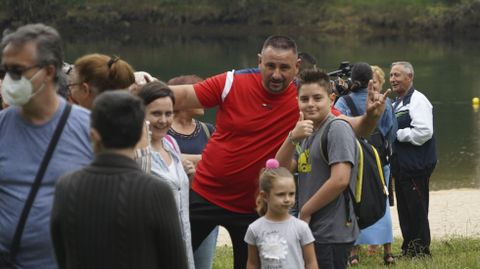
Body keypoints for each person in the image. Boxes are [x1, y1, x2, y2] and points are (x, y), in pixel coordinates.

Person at [169, 35, 388, 268]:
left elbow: (355, 127)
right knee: (170, 258)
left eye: (284, 68)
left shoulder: (303, 101)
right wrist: (136, 92)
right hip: (206, 194)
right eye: (270, 66)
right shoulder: (231, 82)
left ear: (297, 67)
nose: (276, 74)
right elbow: (180, 95)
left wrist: (371, 116)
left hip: (256, 205)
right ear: (259, 61)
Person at [50, 91, 188, 269]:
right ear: (141, 134)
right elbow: (174, 261)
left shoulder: (67, 186)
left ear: (93, 135)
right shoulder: (156, 191)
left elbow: (61, 255)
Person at [0, 23, 93, 268]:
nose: (9, 79)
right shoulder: (1, 126)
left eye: (18, 71)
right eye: (6, 70)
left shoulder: (90, 129)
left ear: (49, 71)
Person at [276, 69, 359, 269]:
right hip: (314, 228)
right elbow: (280, 170)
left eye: (317, 98)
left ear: (331, 99)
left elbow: (340, 180)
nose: (310, 104)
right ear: (297, 101)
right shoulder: (308, 131)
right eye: (304, 99)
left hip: (331, 231)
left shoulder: (337, 128)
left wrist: (305, 211)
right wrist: (291, 138)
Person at [334, 63, 396, 265]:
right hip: (379, 158)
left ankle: (353, 254)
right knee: (383, 200)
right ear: (371, 81)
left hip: (354, 157)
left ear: (352, 80)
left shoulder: (344, 102)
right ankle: (388, 252)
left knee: (352, 201)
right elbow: (390, 131)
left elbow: (338, 127)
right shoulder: (383, 101)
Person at [137, 81, 195, 269]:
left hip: (181, 249)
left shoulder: (172, 147)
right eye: (156, 114)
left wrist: (189, 177)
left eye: (168, 113)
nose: (163, 120)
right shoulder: (137, 155)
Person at [167, 75, 218, 269]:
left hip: (203, 209)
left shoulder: (208, 129)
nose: (205, 97)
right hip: (171, 210)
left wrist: (178, 158)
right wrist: (202, 160)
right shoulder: (162, 127)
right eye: (199, 93)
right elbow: (156, 156)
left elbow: (219, 162)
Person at [389, 61, 437, 257]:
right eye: (391, 75)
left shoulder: (418, 100)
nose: (392, 79)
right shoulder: (397, 103)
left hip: (416, 165)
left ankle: (421, 251)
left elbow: (424, 131)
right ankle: (409, 249)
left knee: (417, 208)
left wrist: (398, 135)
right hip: (401, 166)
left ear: (410, 77)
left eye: (397, 75)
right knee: (405, 209)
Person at [244, 159, 318, 269]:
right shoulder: (254, 229)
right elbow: (253, 263)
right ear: (265, 196)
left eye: (291, 194)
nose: (287, 199)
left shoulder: (301, 228)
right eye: (281, 194)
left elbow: (311, 263)